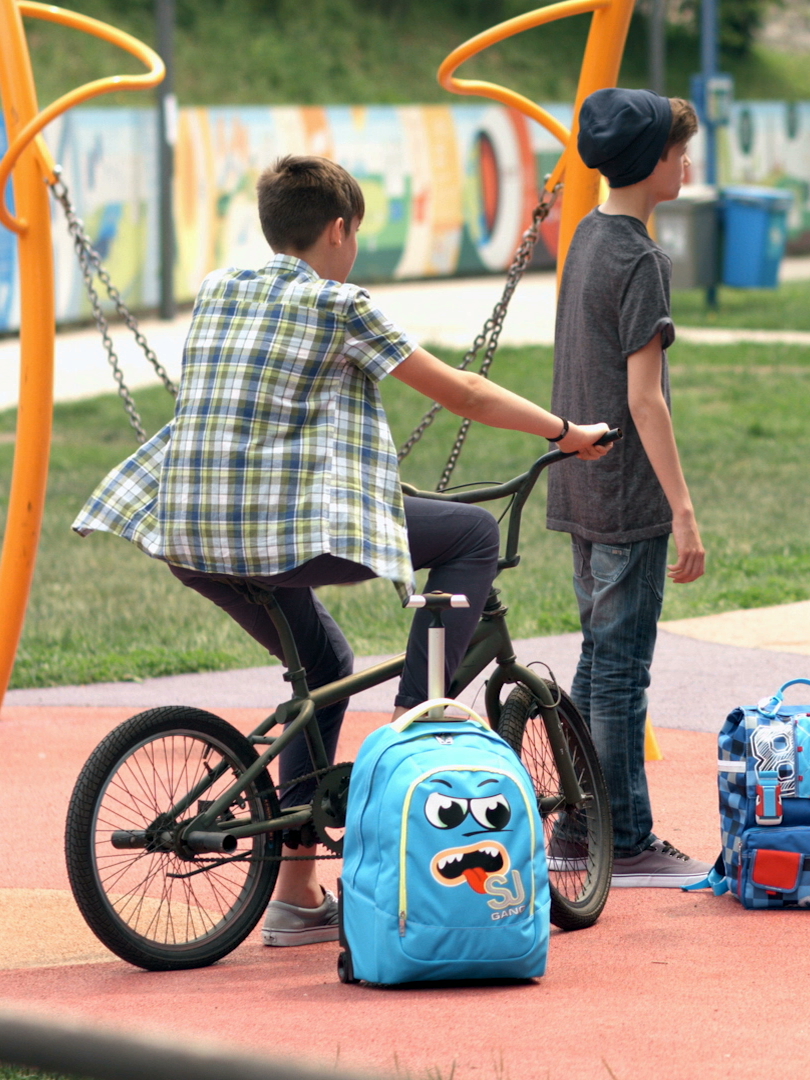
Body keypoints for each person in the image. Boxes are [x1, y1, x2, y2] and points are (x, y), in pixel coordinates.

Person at [72, 155, 613, 944]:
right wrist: (567, 432)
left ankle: (296, 897)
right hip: (272, 532)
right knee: (471, 533)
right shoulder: (341, 305)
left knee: (324, 669)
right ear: (338, 229)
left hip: (189, 531)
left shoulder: (221, 288)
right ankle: (412, 732)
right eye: (355, 234)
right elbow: (461, 391)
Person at [545, 88, 710, 888]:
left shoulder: (586, 234)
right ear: (653, 163)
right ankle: (628, 838)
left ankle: (581, 828)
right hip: (626, 494)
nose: (688, 165)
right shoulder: (643, 259)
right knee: (620, 672)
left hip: (580, 484)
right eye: (681, 153)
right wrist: (684, 510)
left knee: (598, 661)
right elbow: (646, 399)